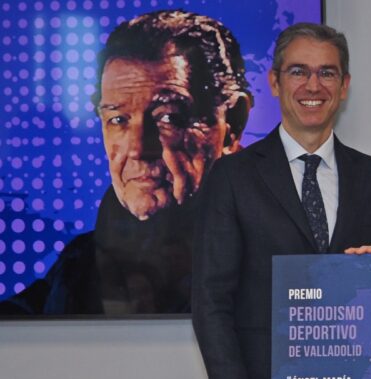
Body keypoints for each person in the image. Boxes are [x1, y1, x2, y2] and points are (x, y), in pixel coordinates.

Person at [192, 22, 371, 379]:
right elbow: (210, 301)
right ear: (274, 82)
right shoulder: (232, 176)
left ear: (344, 86)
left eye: (327, 73)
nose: (314, 85)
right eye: (298, 71)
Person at [0, 10, 252, 314]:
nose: (137, 148)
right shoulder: (77, 271)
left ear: (232, 124)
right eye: (118, 119)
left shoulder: (275, 251)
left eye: (168, 118)